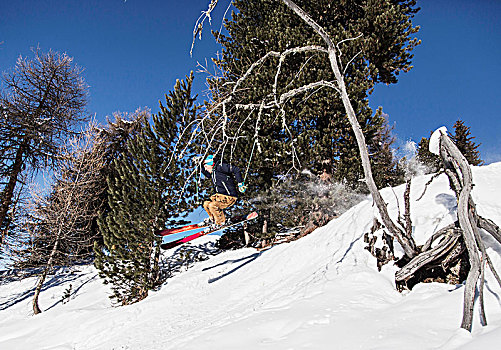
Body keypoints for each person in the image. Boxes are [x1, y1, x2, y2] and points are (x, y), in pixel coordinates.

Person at [199, 154, 247, 229]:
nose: (205, 169)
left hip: (229, 196)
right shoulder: (214, 172)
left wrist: (240, 183)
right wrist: (199, 166)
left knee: (212, 205)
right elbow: (208, 175)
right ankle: (213, 219)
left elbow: (236, 169)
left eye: (206, 166)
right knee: (206, 204)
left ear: (211, 164)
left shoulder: (221, 167)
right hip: (219, 197)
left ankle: (221, 222)